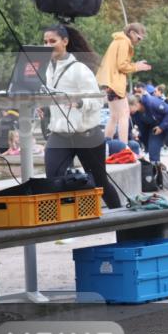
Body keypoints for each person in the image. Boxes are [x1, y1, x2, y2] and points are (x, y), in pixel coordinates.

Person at [42, 24, 122, 208]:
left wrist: (79, 103)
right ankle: (64, 222)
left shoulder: (80, 69)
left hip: (86, 135)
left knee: (100, 181)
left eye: (52, 41)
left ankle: (121, 218)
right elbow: (54, 95)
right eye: (45, 42)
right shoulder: (48, 69)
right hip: (60, 134)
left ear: (65, 41)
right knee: (52, 179)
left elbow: (97, 101)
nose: (48, 45)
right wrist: (45, 107)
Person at [96, 22, 151, 145]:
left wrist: (136, 65)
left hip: (110, 82)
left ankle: (106, 145)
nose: (139, 41)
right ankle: (123, 147)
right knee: (123, 115)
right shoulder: (124, 42)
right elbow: (122, 66)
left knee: (114, 116)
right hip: (115, 83)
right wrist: (137, 66)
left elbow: (120, 64)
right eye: (139, 38)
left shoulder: (118, 41)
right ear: (132, 33)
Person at [128, 92, 168, 186]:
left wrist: (162, 127)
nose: (128, 111)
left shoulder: (152, 102)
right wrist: (147, 146)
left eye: (129, 108)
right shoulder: (135, 114)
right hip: (155, 127)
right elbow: (143, 130)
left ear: (136, 104)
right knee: (153, 151)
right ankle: (157, 180)